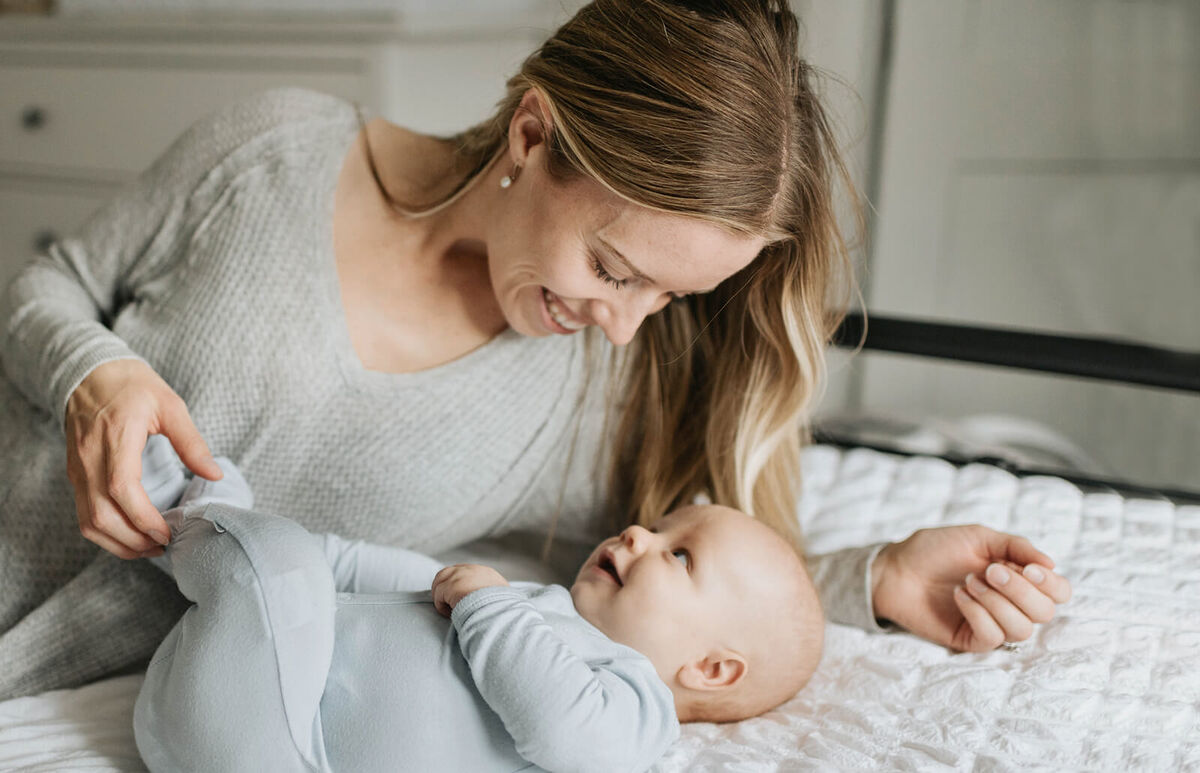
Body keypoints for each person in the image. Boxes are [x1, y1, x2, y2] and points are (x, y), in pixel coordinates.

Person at [0, 0, 1071, 700]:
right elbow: (46, 289)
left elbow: (667, 593)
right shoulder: (274, 147)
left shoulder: (591, 397)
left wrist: (876, 577)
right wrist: (95, 370)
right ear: (531, 135)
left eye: (669, 295)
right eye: (614, 267)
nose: (624, 321)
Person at [132, 437, 823, 772]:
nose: (639, 532)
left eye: (679, 554)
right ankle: (203, 525)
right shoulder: (529, 600)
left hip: (282, 750)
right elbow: (375, 568)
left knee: (271, 565)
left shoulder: (633, 700)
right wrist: (306, 554)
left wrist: (488, 607)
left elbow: (570, 734)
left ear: (712, 669)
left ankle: (196, 510)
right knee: (294, 560)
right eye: (660, 524)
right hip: (243, 678)